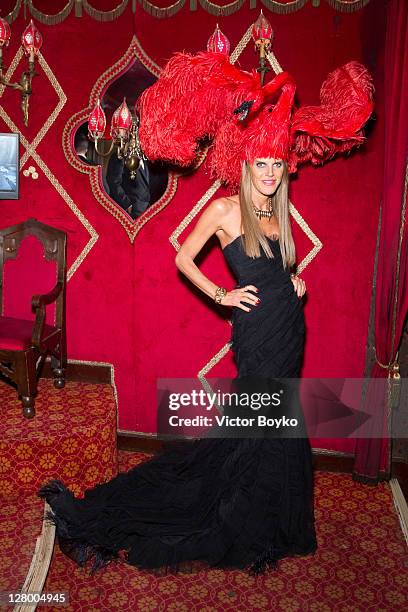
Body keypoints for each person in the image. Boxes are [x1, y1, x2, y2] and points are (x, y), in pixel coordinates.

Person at [38, 49, 374, 575]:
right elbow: (181, 257)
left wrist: (293, 281)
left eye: (274, 165)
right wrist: (221, 295)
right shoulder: (223, 208)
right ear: (245, 163)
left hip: (288, 327)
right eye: (259, 164)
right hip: (258, 333)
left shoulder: (277, 208)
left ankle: (269, 517)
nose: (267, 173)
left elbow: (272, 268)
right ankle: (238, 515)